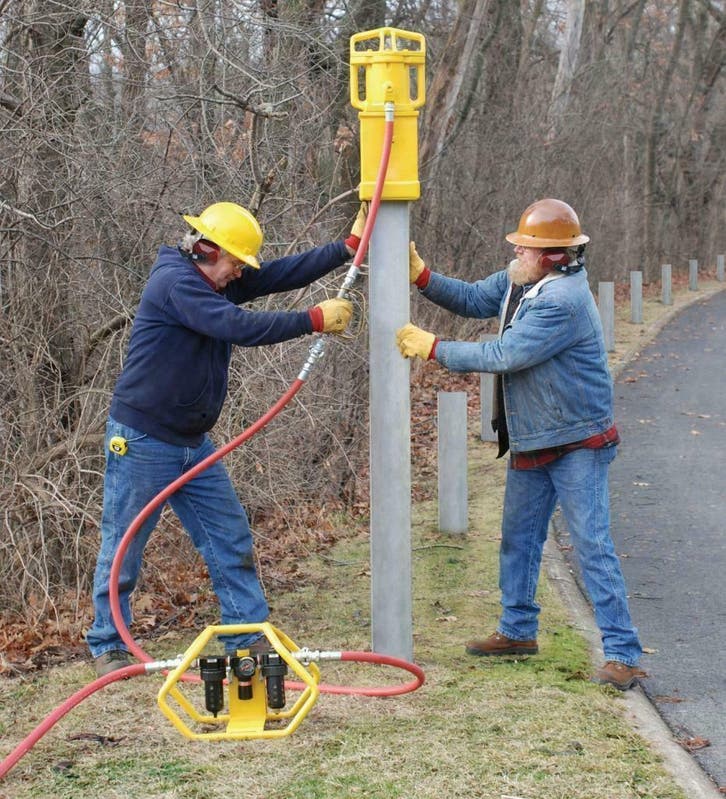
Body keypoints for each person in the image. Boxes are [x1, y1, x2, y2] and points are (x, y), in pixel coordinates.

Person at [87, 201, 365, 677]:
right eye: (235, 263)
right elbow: (235, 326)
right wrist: (312, 320)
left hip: (192, 441)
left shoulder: (208, 278)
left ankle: (246, 632)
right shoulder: (177, 284)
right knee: (124, 544)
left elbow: (277, 275)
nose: (239, 275)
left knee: (227, 534)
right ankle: (107, 643)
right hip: (143, 439)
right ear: (206, 249)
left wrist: (346, 248)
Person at [396, 198, 643, 690]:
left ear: (552, 256)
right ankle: (517, 632)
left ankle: (624, 655)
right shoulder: (520, 282)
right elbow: (470, 298)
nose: (515, 250)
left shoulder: (562, 301)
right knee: (519, 540)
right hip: (535, 437)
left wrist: (435, 348)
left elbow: (506, 353)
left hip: (578, 443)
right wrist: (422, 276)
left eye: (525, 246)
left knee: (592, 546)